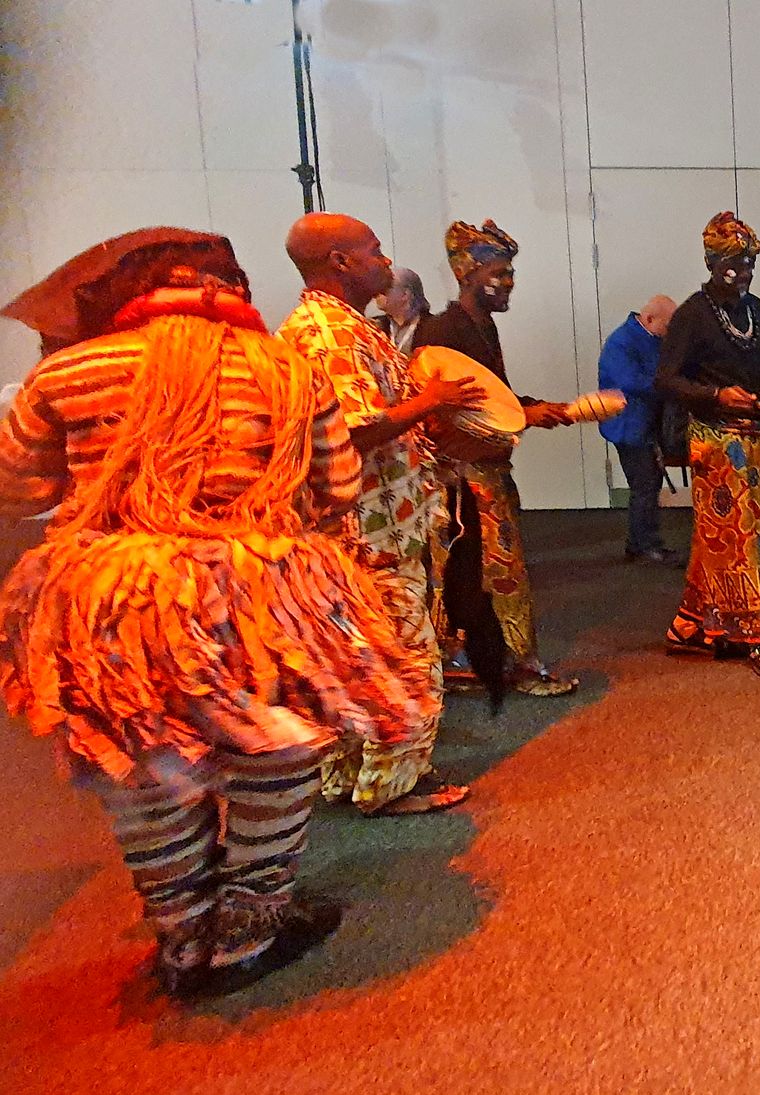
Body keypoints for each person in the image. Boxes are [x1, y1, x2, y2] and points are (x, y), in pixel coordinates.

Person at [0, 228, 435, 996]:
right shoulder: (285, 369)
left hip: (116, 597)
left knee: (145, 757)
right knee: (275, 748)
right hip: (255, 590)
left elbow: (18, 489)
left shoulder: (66, 372)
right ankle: (248, 929)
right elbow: (336, 486)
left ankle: (182, 934)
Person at [278, 213, 473, 815]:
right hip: (367, 534)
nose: (385, 261)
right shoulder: (331, 336)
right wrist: (431, 400)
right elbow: (354, 428)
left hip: (363, 527)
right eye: (374, 251)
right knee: (404, 660)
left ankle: (347, 776)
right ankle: (391, 786)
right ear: (340, 262)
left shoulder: (330, 325)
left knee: (353, 659)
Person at [414, 219, 580, 703]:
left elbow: (492, 399)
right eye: (499, 273)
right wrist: (524, 416)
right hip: (463, 477)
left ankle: (477, 659)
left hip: (483, 472)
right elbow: (446, 412)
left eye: (510, 273)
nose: (508, 282)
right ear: (467, 273)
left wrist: (533, 409)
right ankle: (501, 663)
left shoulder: (479, 326)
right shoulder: (442, 332)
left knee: (482, 571)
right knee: (492, 572)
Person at [654, 211, 760, 678]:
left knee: (741, 536)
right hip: (715, 442)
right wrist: (716, 395)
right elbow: (666, 380)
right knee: (736, 540)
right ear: (712, 263)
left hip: (758, 442)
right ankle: (754, 636)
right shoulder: (692, 314)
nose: (744, 273)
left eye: (749, 264)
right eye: (734, 265)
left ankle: (688, 626)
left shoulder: (757, 310)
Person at [599, 294, 680, 564]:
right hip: (628, 425)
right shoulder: (620, 342)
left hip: (643, 423)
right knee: (644, 486)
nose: (670, 332)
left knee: (649, 484)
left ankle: (639, 543)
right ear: (649, 319)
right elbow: (630, 382)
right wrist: (672, 386)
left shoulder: (647, 337)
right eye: (668, 325)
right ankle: (645, 545)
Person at [373, 266, 431, 355]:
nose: (377, 293)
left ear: (405, 294)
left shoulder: (434, 330)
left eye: (384, 288)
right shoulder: (375, 326)